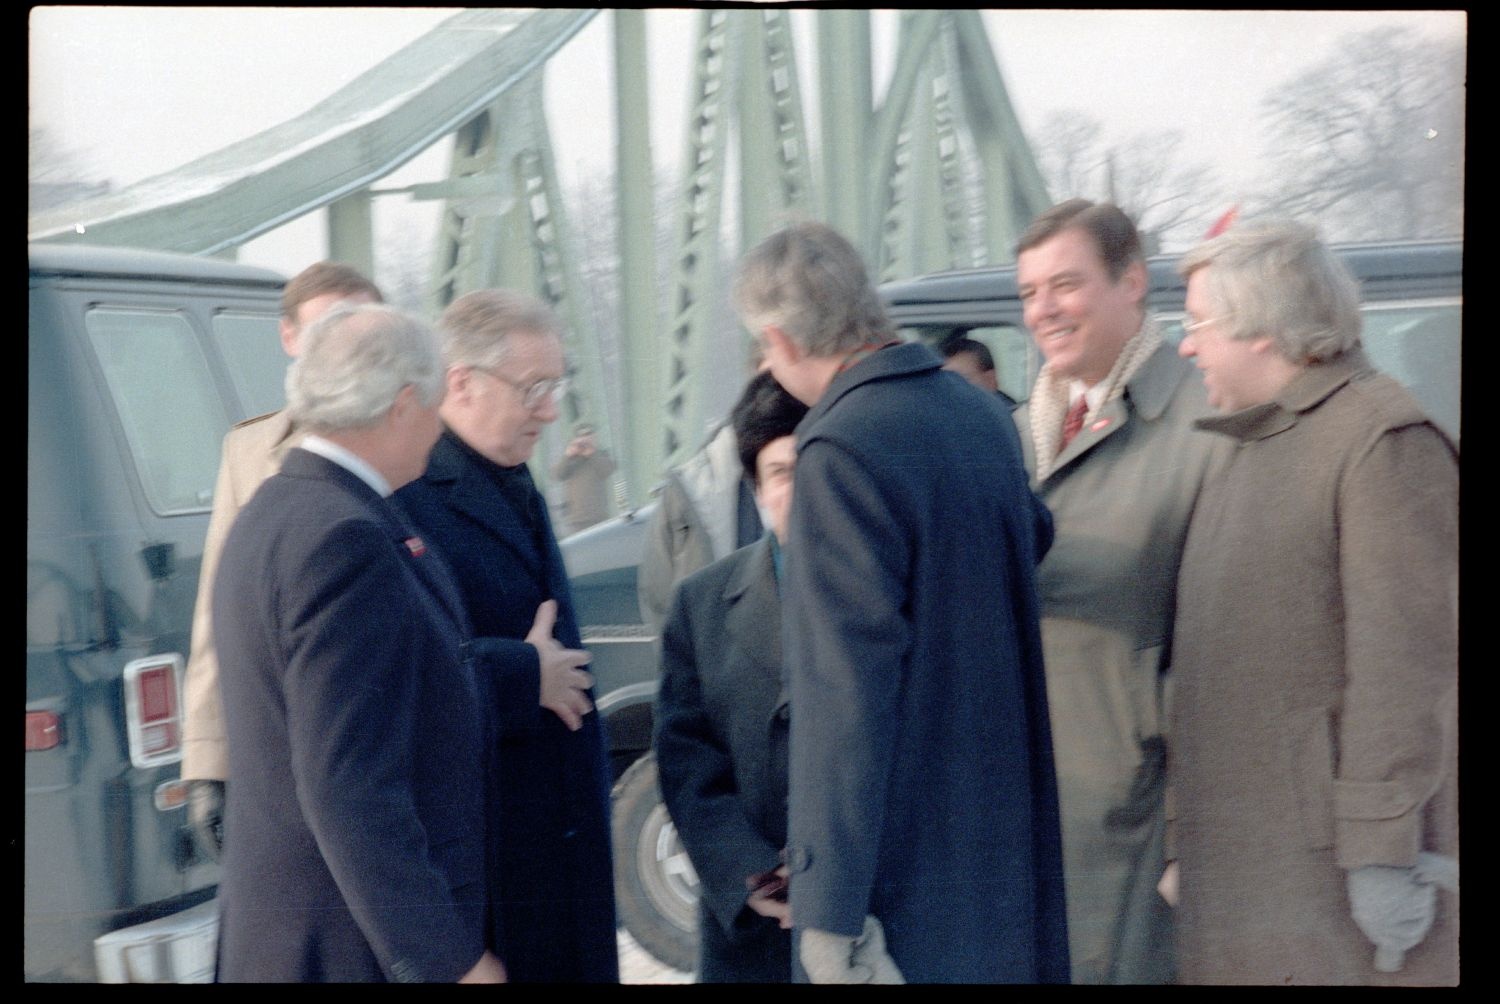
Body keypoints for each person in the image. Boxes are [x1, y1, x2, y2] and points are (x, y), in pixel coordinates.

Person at [735, 222, 1068, 984]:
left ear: (781, 341)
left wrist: (829, 908)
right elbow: (1031, 539)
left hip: (907, 877)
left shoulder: (841, 448)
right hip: (1006, 853)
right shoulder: (980, 414)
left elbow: (842, 697)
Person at [1165, 220, 1458, 985]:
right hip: (1252, 876)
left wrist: (1383, 854)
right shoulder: (1247, 447)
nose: (1186, 346)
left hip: (1326, 887)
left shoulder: (1379, 443)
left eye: (1198, 324)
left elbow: (1409, 674)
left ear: (1262, 330)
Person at [213, 303, 503, 983]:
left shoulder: (271, 511)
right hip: (344, 945)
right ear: (404, 404)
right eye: (434, 406)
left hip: (288, 932)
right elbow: (348, 783)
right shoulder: (346, 539)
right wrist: (445, 959)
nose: (439, 428)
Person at [1012, 199, 1229, 983]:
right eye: (1030, 291)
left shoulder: (1211, 429)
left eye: (1065, 284)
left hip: (1141, 843)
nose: (1043, 310)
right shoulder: (1011, 435)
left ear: (1132, 282)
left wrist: (1184, 838)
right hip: (1030, 827)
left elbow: (1231, 661)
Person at [397, 290, 618, 983]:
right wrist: (525, 673)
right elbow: (401, 671)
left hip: (559, 855)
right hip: (493, 872)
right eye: (534, 389)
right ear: (460, 383)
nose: (551, 411)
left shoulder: (509, 474)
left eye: (556, 386)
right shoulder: (408, 491)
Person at [182, 261, 382, 856]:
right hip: (284, 752)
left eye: (362, 326)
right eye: (326, 329)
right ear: (289, 339)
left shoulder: (413, 439)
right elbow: (218, 612)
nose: (345, 345)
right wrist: (208, 763)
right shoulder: (250, 452)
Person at [653, 372, 809, 983]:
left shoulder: (904, 589)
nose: (803, 491)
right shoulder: (704, 603)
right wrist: (751, 873)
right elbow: (686, 760)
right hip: (756, 927)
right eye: (782, 473)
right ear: (758, 491)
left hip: (874, 914)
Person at [551, 420, 617, 534]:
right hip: (577, 519)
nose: (585, 439)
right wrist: (568, 456)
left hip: (599, 516)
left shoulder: (601, 455)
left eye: (588, 435)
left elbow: (607, 470)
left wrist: (592, 453)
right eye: (581, 436)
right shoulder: (571, 459)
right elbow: (557, 475)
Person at [941, 336, 1017, 408]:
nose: (953, 388)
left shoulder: (1012, 418)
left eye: (962, 379)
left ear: (990, 380)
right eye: (947, 380)